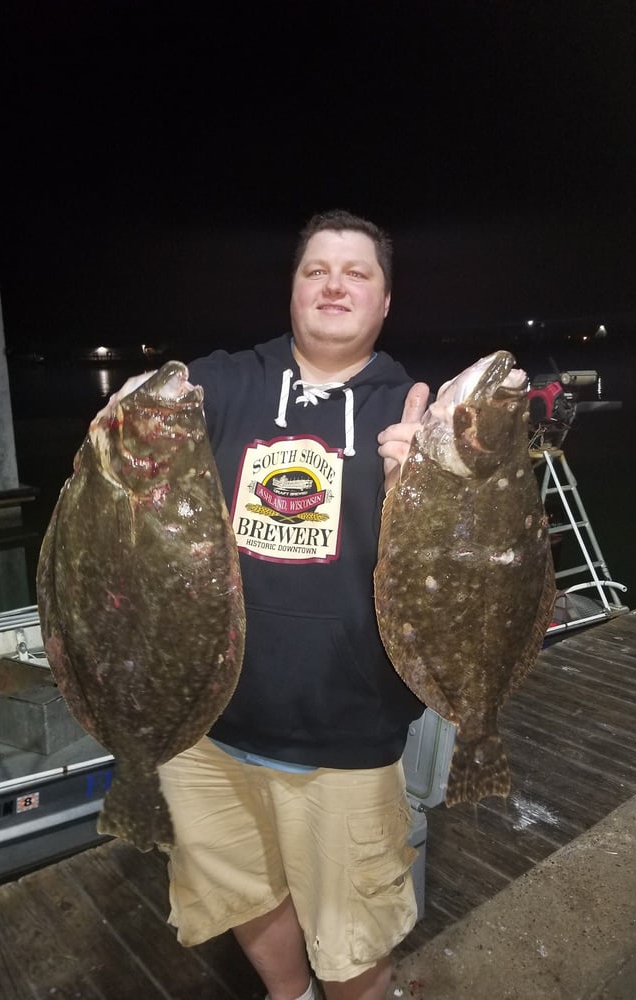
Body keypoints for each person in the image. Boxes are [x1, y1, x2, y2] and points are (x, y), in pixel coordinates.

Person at [157, 209, 431, 1000]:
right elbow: (137, 447)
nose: (334, 284)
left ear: (385, 301)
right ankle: (290, 995)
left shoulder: (413, 411)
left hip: (343, 730)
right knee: (241, 891)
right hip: (201, 721)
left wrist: (433, 479)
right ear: (293, 291)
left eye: (357, 273)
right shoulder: (228, 380)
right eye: (316, 270)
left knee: (353, 941)